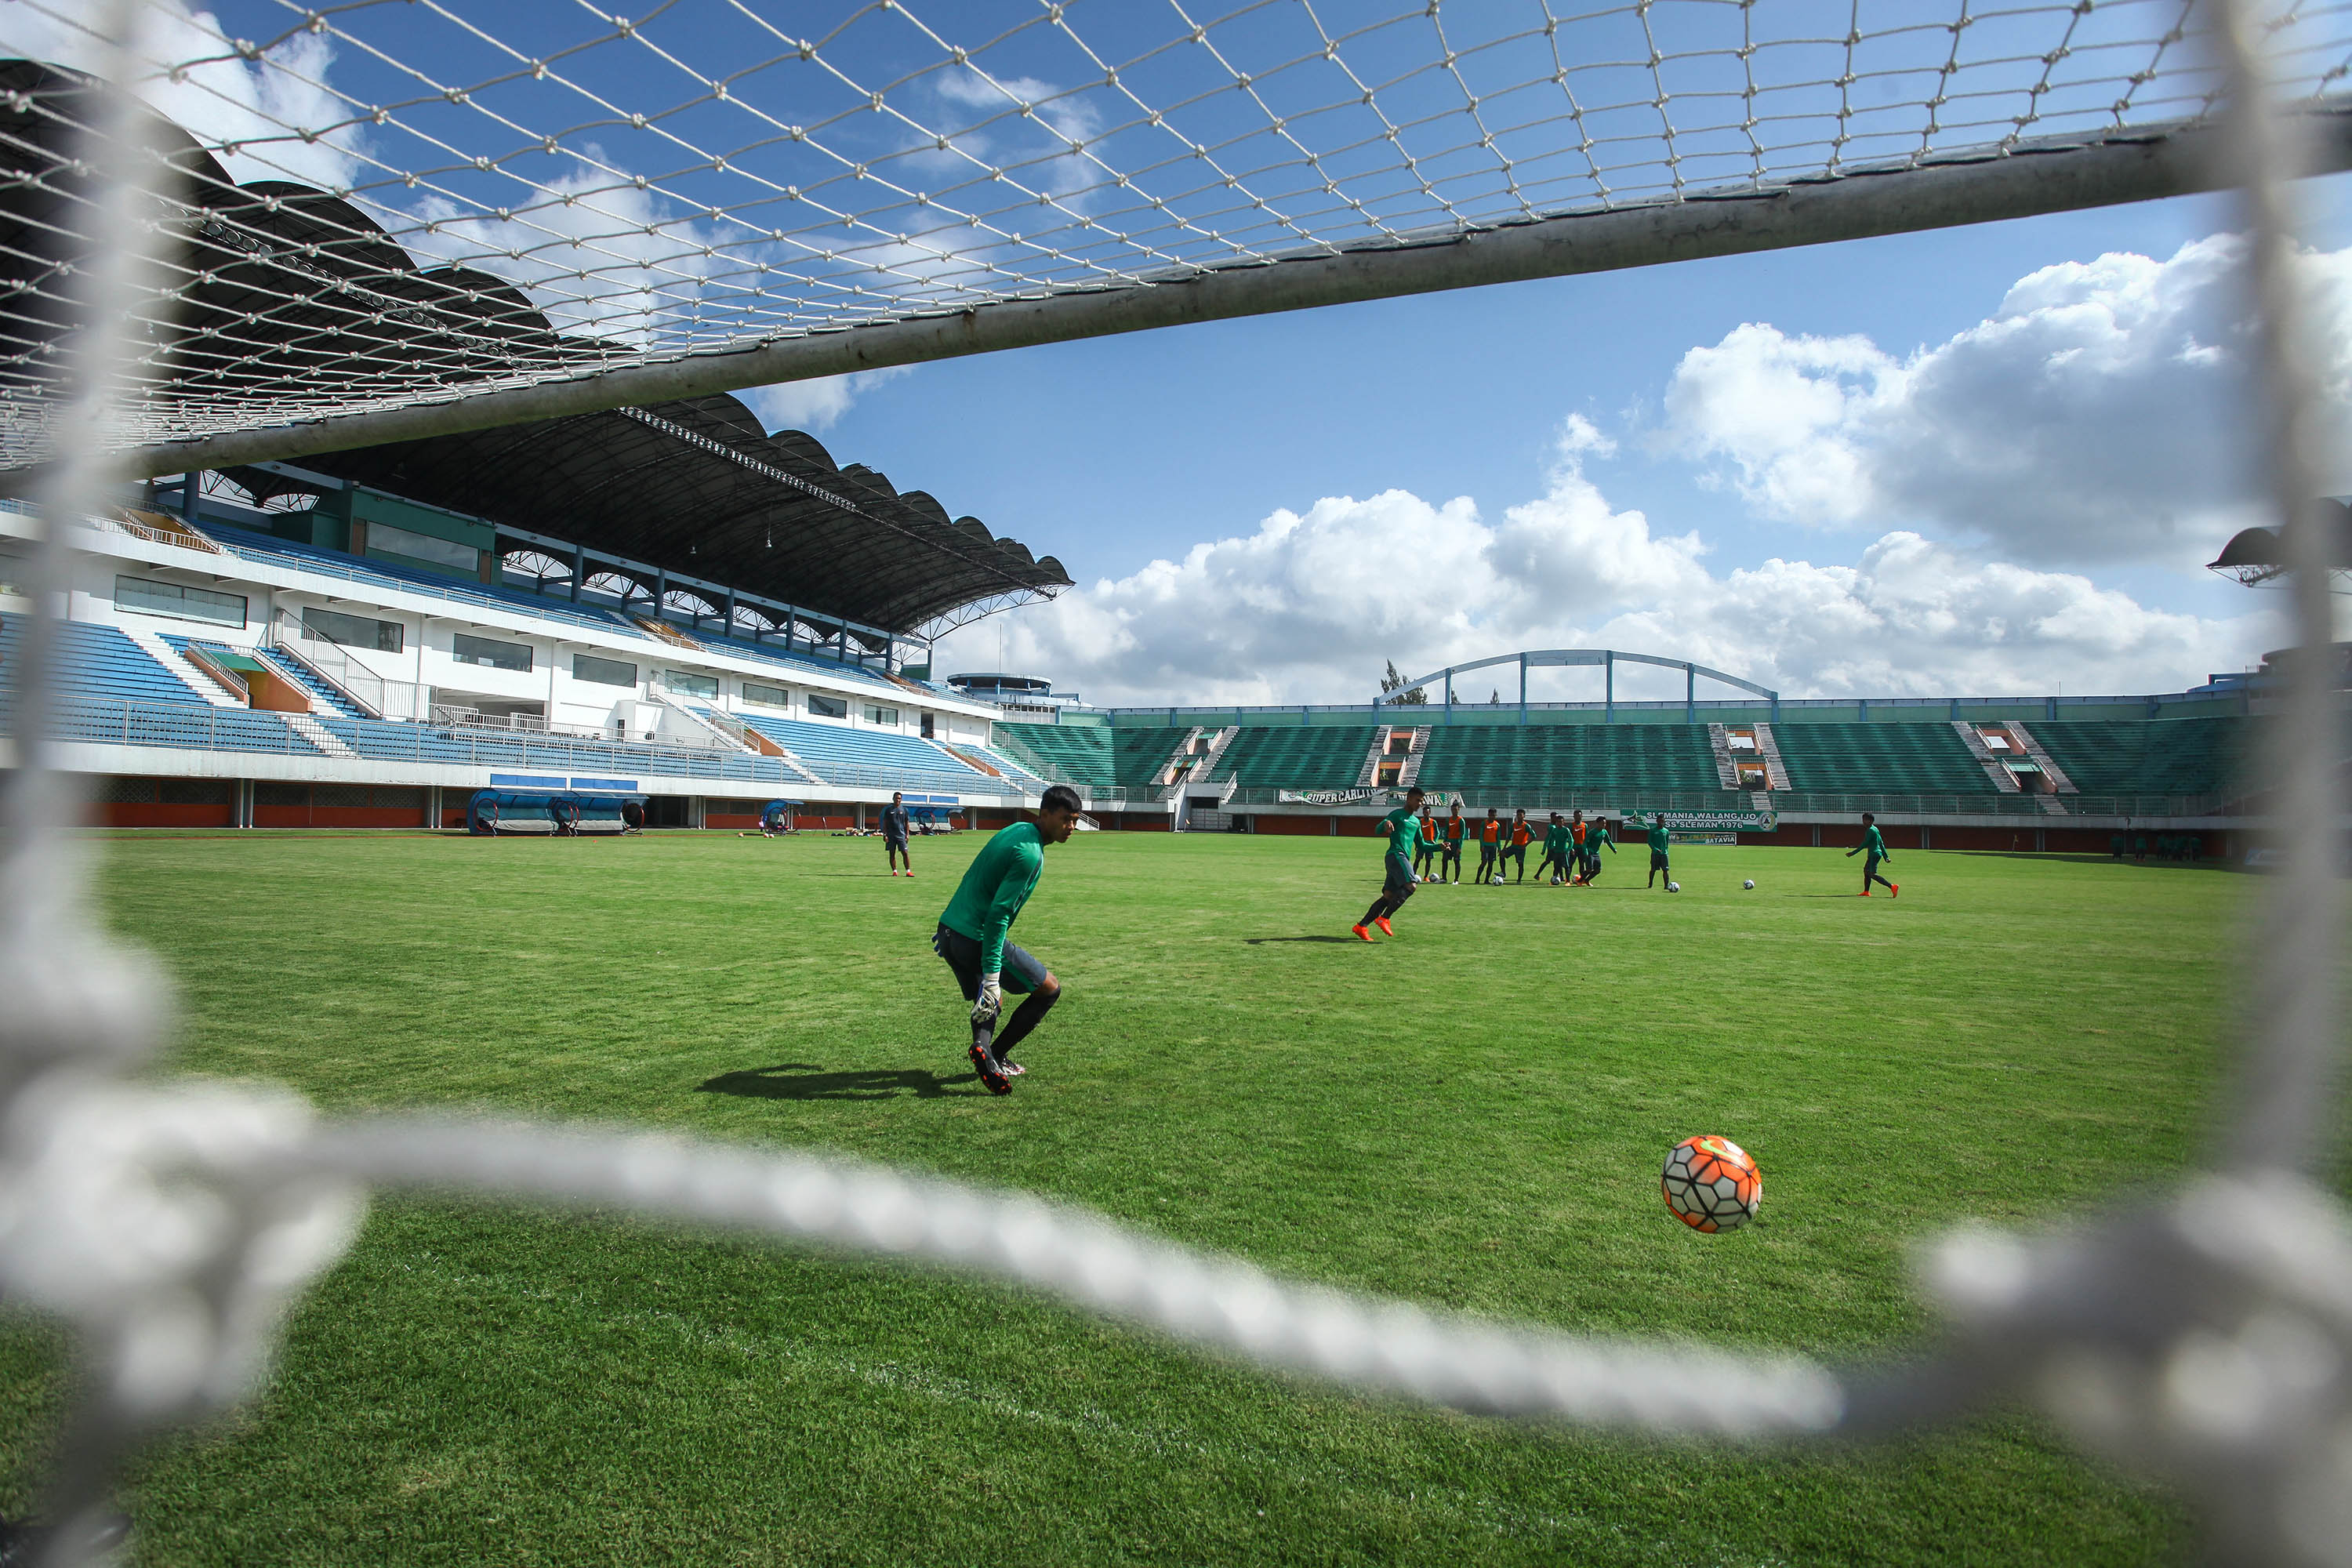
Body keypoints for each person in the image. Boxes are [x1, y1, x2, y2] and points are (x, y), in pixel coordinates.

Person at [935, 783, 1083, 1094]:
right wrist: (992, 975)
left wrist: (950, 927)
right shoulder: (1030, 854)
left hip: (951, 931)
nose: (1071, 827)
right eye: (1066, 819)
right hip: (975, 936)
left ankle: (983, 1048)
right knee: (1048, 989)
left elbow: (974, 876)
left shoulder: (1016, 829)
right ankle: (997, 1055)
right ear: (1045, 814)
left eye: (1075, 820)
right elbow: (998, 916)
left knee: (990, 998)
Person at [1355, 785, 1427, 941]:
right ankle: (1384, 918)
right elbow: (1377, 829)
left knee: (1388, 896)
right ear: (1409, 799)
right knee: (1411, 886)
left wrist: (1440, 847)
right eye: (1418, 800)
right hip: (1395, 855)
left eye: (1422, 801)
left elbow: (1422, 845)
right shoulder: (1397, 814)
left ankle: (1361, 926)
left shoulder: (1416, 822)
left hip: (1401, 858)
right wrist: (1385, 824)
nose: (1420, 804)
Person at [1848, 811, 1897, 897]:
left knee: (1872, 874)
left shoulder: (1870, 830)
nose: (1863, 822)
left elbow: (1864, 844)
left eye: (1866, 820)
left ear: (1871, 821)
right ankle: (1866, 892)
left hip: (1874, 854)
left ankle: (1892, 886)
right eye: (1863, 820)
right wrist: (1886, 857)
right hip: (1876, 854)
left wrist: (1853, 853)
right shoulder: (1875, 829)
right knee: (1866, 871)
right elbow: (1881, 843)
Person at [881, 791, 913, 877]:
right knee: (892, 853)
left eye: (899, 798)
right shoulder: (888, 810)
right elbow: (885, 823)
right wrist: (885, 834)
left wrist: (907, 834)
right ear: (893, 799)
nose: (898, 800)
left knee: (905, 853)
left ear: (901, 799)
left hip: (901, 835)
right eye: (896, 798)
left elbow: (907, 823)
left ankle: (908, 871)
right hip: (891, 835)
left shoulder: (904, 810)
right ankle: (895, 871)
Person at [1584, 818, 1617, 884]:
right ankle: (1579, 880)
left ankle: (1586, 881)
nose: (1604, 825)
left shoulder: (1604, 832)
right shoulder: (1593, 832)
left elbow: (1608, 841)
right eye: (1602, 823)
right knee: (1589, 869)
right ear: (1598, 823)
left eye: (1605, 823)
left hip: (1596, 853)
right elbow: (1585, 842)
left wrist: (1613, 849)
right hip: (1590, 852)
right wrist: (1586, 851)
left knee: (1598, 870)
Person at [1440, 801, 1465, 884]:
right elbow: (1446, 833)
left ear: (1459, 810)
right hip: (1449, 843)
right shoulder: (1449, 820)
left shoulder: (1461, 820)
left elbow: (1462, 835)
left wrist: (1460, 847)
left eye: (1456, 809)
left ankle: (1456, 880)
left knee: (1456, 861)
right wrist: (1444, 844)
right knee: (1444, 860)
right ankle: (1444, 878)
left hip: (1456, 843)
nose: (1454, 811)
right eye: (1453, 810)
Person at [1415, 801, 1440, 881]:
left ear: (1430, 813)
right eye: (1424, 812)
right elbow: (1416, 833)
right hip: (1421, 843)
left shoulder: (1433, 822)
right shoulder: (1420, 822)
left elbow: (1438, 832)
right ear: (1423, 813)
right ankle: (1412, 874)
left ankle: (1426, 877)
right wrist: (1416, 844)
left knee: (1428, 860)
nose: (1426, 814)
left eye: (1427, 812)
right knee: (1417, 859)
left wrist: (1435, 840)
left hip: (1430, 844)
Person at [1506, 808, 1532, 884]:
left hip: (1521, 848)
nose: (1519, 816)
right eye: (1518, 815)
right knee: (1502, 855)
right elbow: (1508, 837)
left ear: (1524, 816)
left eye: (1521, 815)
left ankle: (1519, 880)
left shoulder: (1526, 826)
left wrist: (1526, 844)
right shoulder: (1513, 825)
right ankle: (1503, 872)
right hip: (1513, 846)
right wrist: (1504, 847)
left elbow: (1534, 836)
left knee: (1520, 864)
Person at [1475, 807, 1501, 883]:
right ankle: (1477, 878)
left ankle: (1486, 880)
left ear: (1496, 815)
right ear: (1488, 815)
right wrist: (1482, 845)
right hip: (1485, 846)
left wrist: (1499, 848)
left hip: (1493, 847)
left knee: (1491, 864)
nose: (1492, 817)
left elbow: (1498, 838)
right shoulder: (1484, 823)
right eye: (1490, 815)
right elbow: (1481, 835)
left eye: (1493, 815)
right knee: (1484, 862)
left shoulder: (1497, 825)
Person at [1646, 813, 1671, 889]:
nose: (1661, 822)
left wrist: (1665, 850)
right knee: (1653, 869)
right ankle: (1650, 883)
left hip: (1664, 854)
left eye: (1662, 821)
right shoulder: (1652, 830)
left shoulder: (1666, 831)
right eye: (1660, 821)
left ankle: (1666, 886)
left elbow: (1667, 842)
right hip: (1655, 854)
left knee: (1665, 870)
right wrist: (1654, 849)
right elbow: (1649, 841)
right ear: (1657, 821)